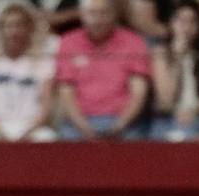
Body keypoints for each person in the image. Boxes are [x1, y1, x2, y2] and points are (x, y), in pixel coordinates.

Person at [54, 0, 151, 138]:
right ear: (81, 15)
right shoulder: (67, 43)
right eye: (92, 13)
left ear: (114, 15)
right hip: (79, 123)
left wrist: (118, 126)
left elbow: (138, 93)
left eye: (103, 13)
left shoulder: (133, 42)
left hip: (123, 122)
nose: (98, 20)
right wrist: (85, 129)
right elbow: (66, 93)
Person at [0, 1, 57, 141]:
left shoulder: (43, 62)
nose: (14, 32)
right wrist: (2, 134)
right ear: (0, 30)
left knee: (47, 138)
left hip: (31, 126)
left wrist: (26, 134)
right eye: (8, 26)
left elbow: (45, 107)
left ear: (29, 29)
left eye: (19, 25)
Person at [150, 0, 199, 137]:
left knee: (187, 134)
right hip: (167, 118)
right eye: (181, 21)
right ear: (171, 24)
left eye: (192, 21)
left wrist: (192, 112)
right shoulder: (160, 52)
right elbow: (165, 101)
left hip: (198, 117)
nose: (186, 27)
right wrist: (177, 58)